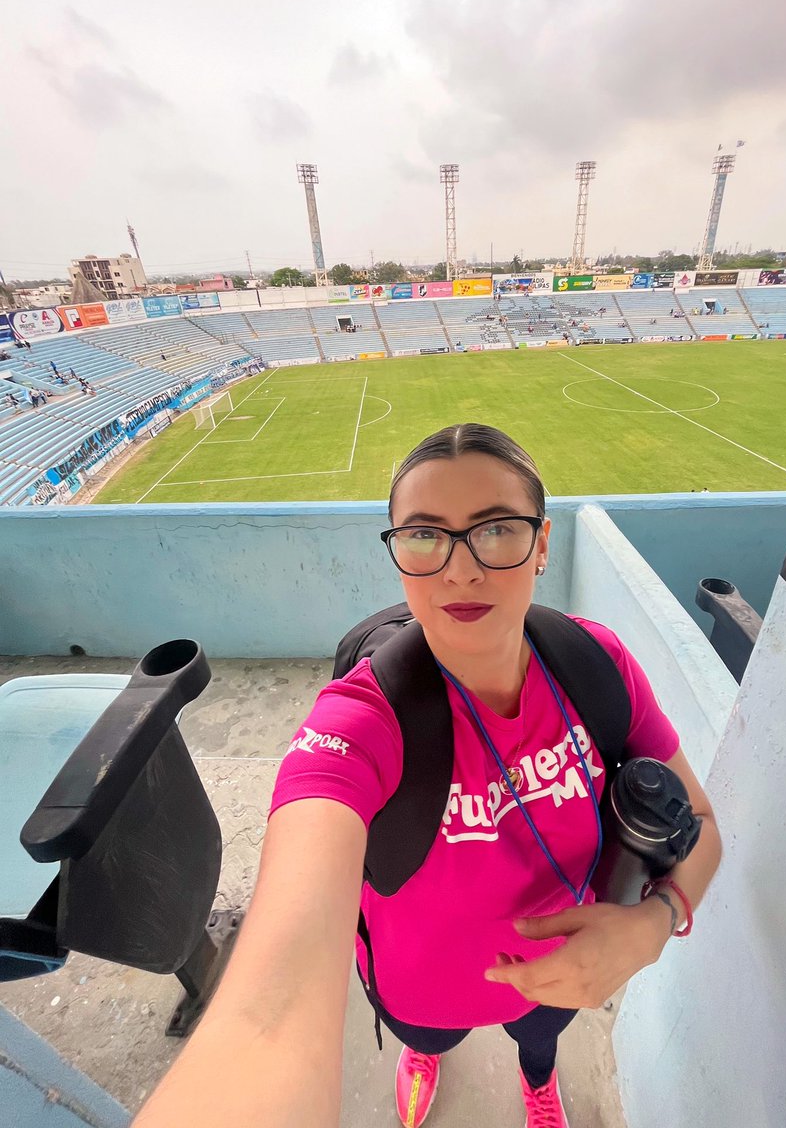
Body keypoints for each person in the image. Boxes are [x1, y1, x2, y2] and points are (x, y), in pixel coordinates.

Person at [132, 424, 722, 1128]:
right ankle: (423, 1056)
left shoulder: (597, 664)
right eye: (424, 535)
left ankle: (537, 1084)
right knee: (426, 1038)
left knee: (540, 1044)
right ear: (397, 553)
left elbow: (703, 825)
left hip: (560, 975)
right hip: (419, 994)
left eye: (496, 530)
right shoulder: (358, 721)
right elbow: (268, 1012)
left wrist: (654, 923)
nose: (460, 570)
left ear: (541, 546)